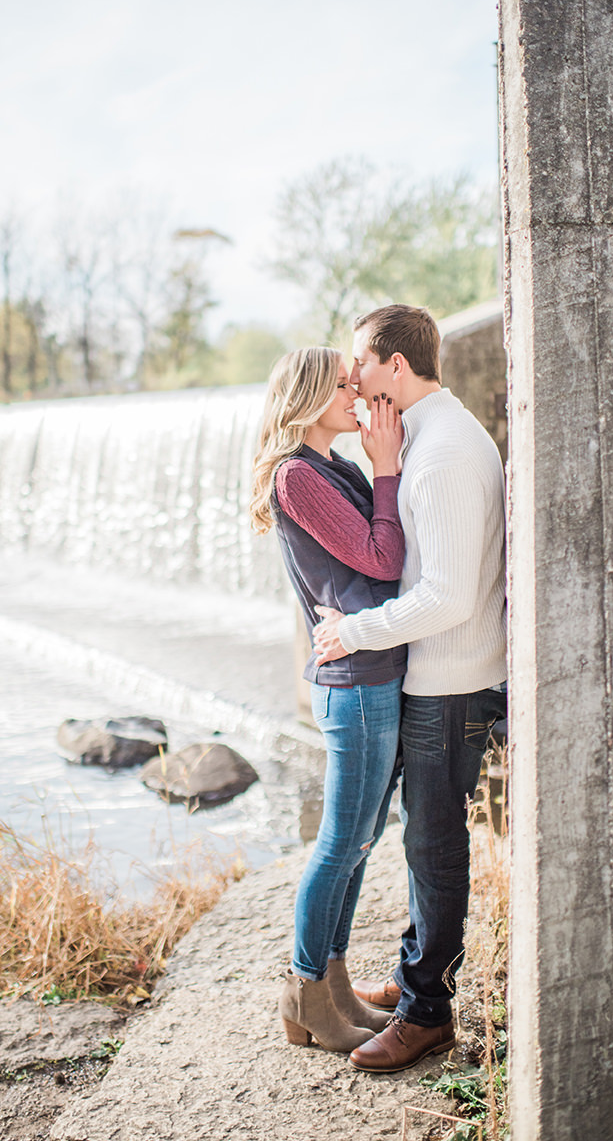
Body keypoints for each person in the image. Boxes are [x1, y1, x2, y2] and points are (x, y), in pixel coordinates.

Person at [312, 304, 507, 1073]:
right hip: (433, 679)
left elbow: (451, 595)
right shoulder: (421, 440)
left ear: (397, 367)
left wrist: (351, 631)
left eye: (360, 361)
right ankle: (411, 976)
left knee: (433, 847)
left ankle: (428, 1011)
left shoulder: (448, 452)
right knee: (420, 841)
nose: (350, 375)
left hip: (453, 686)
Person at [250, 346, 409, 1054]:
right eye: (345, 386)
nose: (358, 394)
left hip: (373, 671)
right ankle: (303, 988)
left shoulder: (330, 467)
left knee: (361, 840)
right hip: (357, 685)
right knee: (340, 842)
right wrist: (386, 468)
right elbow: (381, 559)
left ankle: (332, 989)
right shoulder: (297, 476)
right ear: (311, 396)